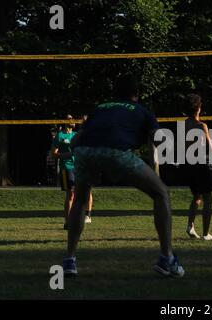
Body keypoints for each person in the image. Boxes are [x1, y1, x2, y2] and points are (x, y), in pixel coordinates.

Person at [62, 75, 184, 278]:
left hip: (84, 151)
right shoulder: (142, 110)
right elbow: (158, 138)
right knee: (161, 193)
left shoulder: (100, 108)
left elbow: (76, 140)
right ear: (136, 94)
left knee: (80, 200)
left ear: (114, 93)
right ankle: (167, 258)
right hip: (116, 152)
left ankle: (69, 260)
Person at [182, 94, 212, 241]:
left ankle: (190, 226)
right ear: (198, 108)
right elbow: (210, 149)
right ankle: (206, 234)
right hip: (199, 164)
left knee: (197, 197)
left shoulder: (184, 124)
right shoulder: (201, 125)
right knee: (208, 198)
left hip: (187, 164)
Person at [50, 114, 76, 230]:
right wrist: (67, 155)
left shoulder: (76, 135)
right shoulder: (60, 136)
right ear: (65, 121)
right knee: (70, 194)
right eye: (70, 118)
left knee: (77, 195)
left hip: (78, 167)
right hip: (67, 167)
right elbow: (53, 154)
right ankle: (67, 222)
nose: (72, 120)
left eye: (73, 118)